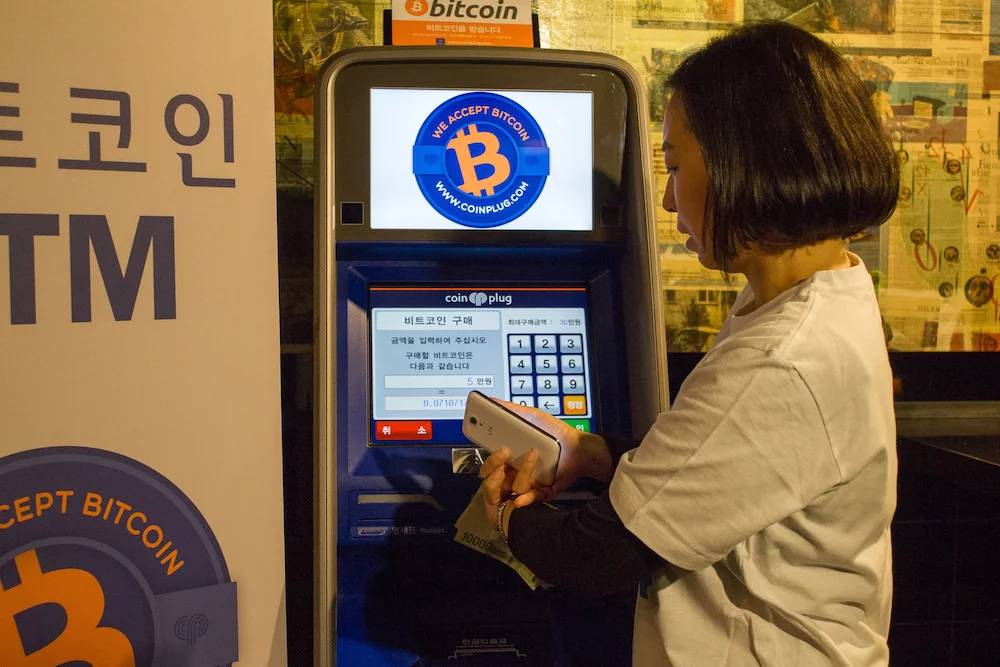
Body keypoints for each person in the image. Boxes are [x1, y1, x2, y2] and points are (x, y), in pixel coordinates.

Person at [478, 21, 900, 666]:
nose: (669, 198)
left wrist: (505, 506)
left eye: (675, 165)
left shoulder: (783, 357)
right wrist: (587, 452)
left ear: (746, 161)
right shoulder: (814, 294)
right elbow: (721, 472)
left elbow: (594, 555)